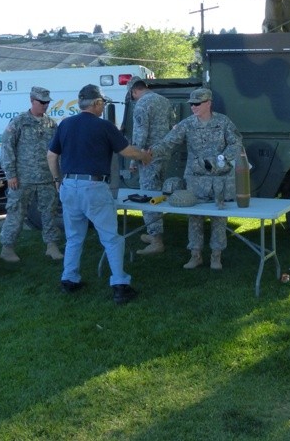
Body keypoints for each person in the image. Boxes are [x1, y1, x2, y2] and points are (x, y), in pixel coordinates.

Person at [46, 83, 151, 305]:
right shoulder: (104, 126)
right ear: (95, 103)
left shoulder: (65, 124)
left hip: (69, 186)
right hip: (94, 187)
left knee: (74, 237)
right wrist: (144, 156)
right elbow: (126, 151)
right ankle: (120, 286)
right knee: (111, 238)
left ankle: (69, 280)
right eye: (102, 102)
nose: (103, 106)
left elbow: (51, 156)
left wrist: (58, 181)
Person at [151, 88, 243, 270]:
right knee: (194, 218)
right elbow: (168, 142)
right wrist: (149, 152)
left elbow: (236, 142)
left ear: (208, 103)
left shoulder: (223, 122)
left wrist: (222, 159)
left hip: (219, 180)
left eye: (197, 104)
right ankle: (196, 255)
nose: (193, 107)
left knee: (219, 218)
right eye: (191, 104)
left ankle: (216, 256)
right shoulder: (187, 124)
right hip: (196, 180)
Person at [0, 86, 63, 263]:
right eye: (42, 102)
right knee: (16, 213)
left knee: (49, 213)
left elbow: (57, 151)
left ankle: (51, 246)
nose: (45, 105)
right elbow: (7, 147)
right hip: (21, 179)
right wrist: (11, 174)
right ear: (32, 100)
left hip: (46, 178)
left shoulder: (51, 124)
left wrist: (57, 176)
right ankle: (7, 247)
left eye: (47, 102)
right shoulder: (19, 122)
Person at [126, 76, 173, 255]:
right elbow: (172, 127)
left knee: (148, 195)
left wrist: (133, 159)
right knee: (157, 193)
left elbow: (140, 135)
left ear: (134, 91)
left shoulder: (142, 104)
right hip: (163, 153)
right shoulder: (164, 101)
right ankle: (153, 232)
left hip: (147, 156)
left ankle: (156, 240)